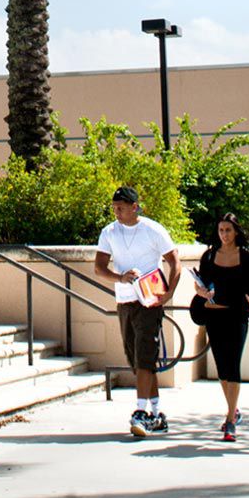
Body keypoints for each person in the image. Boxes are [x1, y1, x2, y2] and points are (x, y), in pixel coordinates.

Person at [95, 184, 181, 438]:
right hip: (125, 301)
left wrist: (168, 293)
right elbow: (99, 268)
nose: (117, 212)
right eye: (114, 208)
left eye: (121, 208)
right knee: (137, 360)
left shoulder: (152, 230)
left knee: (145, 356)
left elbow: (175, 261)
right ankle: (156, 414)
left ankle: (140, 412)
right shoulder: (109, 232)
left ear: (135, 207)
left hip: (149, 302)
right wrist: (120, 278)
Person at [194, 212, 249, 442]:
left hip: (237, 317)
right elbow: (200, 284)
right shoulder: (209, 256)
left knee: (233, 365)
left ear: (236, 232)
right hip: (214, 316)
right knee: (222, 368)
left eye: (228, 230)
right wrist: (200, 291)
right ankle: (233, 409)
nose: (224, 234)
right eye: (221, 230)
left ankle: (230, 419)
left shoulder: (247, 259)